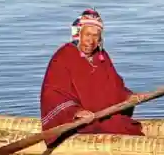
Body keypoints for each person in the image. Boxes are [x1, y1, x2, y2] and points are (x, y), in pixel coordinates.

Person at [39, 8, 147, 146]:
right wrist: (76, 112)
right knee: (118, 128)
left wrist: (128, 97)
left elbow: (114, 87)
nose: (91, 41)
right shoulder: (63, 57)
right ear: (79, 34)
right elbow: (52, 94)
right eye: (87, 35)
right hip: (78, 123)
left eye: (96, 36)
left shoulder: (101, 56)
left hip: (101, 117)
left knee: (125, 125)